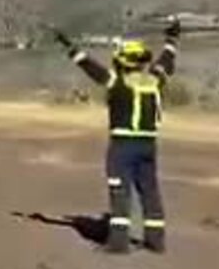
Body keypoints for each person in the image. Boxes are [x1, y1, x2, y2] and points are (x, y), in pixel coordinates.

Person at [54, 18, 181, 254]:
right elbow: (167, 60)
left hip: (123, 146)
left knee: (120, 192)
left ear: (123, 62)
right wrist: (172, 39)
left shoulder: (117, 82)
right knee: (150, 192)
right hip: (148, 145)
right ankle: (156, 241)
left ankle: (119, 242)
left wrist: (68, 46)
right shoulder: (153, 80)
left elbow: (89, 67)